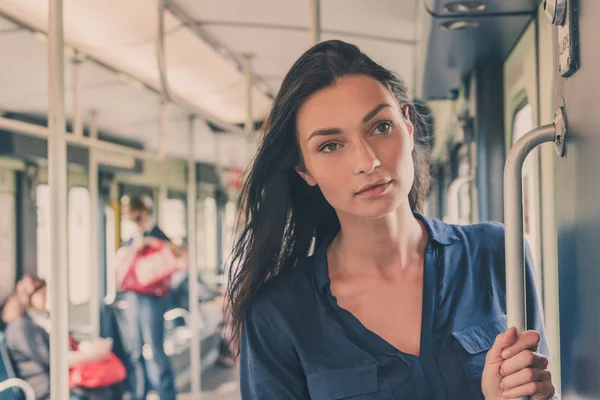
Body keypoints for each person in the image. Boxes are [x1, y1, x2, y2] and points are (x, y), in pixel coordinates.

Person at [227, 40, 556, 400]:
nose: (367, 161)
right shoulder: (278, 316)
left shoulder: (497, 252)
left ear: (408, 125)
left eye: (381, 127)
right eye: (330, 146)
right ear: (304, 170)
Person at [4, 277, 119, 400]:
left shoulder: (35, 322)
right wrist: (91, 356)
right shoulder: (21, 328)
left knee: (104, 389)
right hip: (46, 388)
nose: (47, 298)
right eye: (44, 294)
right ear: (32, 297)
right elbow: (54, 359)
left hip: (57, 382)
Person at [115, 196, 179, 400]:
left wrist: (152, 241)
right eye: (132, 219)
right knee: (134, 349)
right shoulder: (131, 239)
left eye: (139, 217)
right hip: (133, 295)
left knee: (154, 347)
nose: (137, 222)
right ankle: (138, 394)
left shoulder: (156, 233)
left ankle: (166, 394)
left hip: (154, 296)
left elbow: (177, 253)